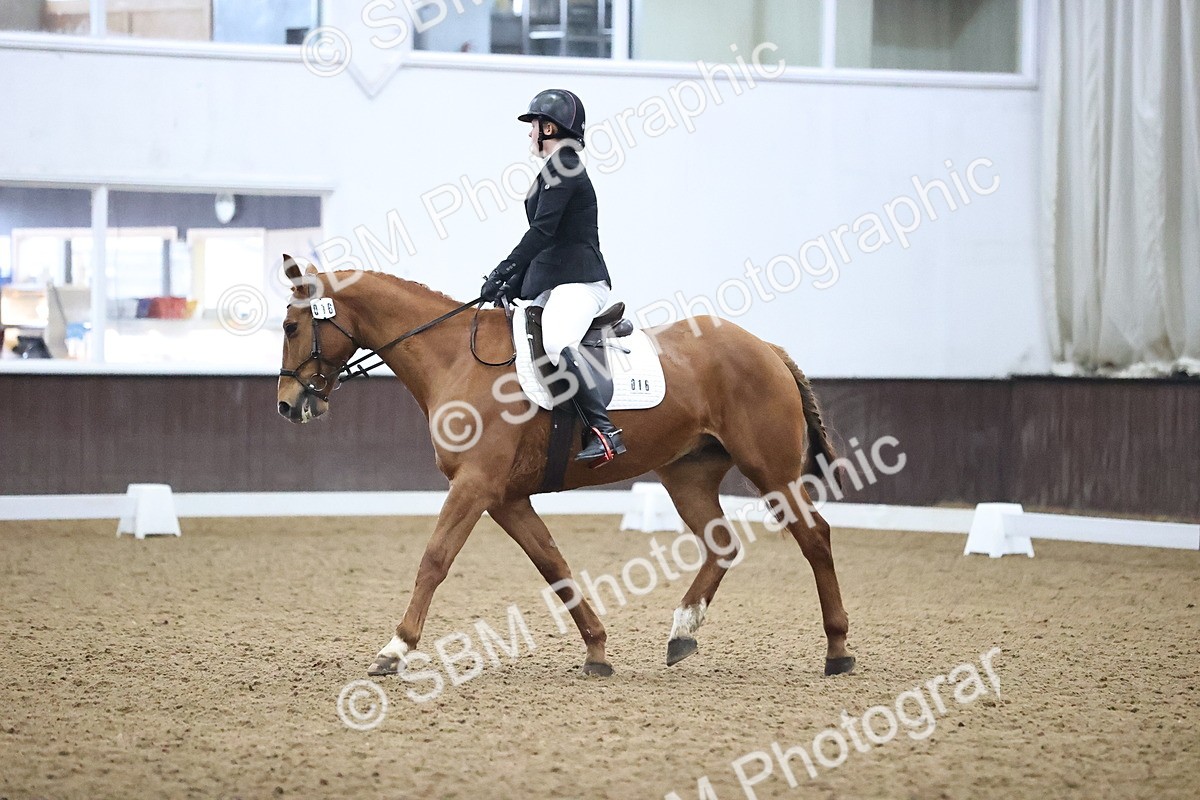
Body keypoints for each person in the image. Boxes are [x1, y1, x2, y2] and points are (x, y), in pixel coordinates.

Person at [480, 88, 626, 465]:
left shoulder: (565, 165)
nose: (530, 133)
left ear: (548, 128)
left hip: (581, 281)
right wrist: (512, 284)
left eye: (533, 126)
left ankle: (604, 431)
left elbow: (542, 232)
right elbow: (548, 241)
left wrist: (504, 269)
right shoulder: (552, 169)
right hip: (558, 281)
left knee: (557, 341)